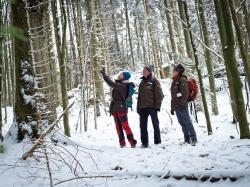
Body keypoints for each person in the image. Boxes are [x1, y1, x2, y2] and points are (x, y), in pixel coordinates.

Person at [100, 68, 137, 148]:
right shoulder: (120, 84)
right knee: (118, 127)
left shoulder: (123, 86)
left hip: (121, 108)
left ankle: (132, 142)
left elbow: (111, 83)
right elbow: (113, 84)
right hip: (116, 108)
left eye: (121, 74)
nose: (119, 74)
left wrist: (104, 75)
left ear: (124, 77)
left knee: (125, 126)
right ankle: (122, 143)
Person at [137, 66, 164, 148]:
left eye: (145, 70)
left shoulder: (154, 81)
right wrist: (138, 107)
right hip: (142, 108)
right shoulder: (141, 83)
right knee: (142, 126)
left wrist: (157, 106)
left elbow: (160, 95)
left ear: (149, 72)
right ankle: (144, 143)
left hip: (152, 107)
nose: (143, 72)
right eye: (143, 70)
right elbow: (139, 97)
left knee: (155, 124)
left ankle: (157, 141)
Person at [170, 64, 197, 146]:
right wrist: (172, 107)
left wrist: (182, 104)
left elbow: (185, 93)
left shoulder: (182, 80)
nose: (173, 72)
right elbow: (174, 95)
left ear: (178, 72)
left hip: (182, 105)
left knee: (187, 122)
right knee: (181, 122)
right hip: (177, 106)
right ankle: (187, 139)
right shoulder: (174, 80)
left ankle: (194, 138)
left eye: (174, 71)